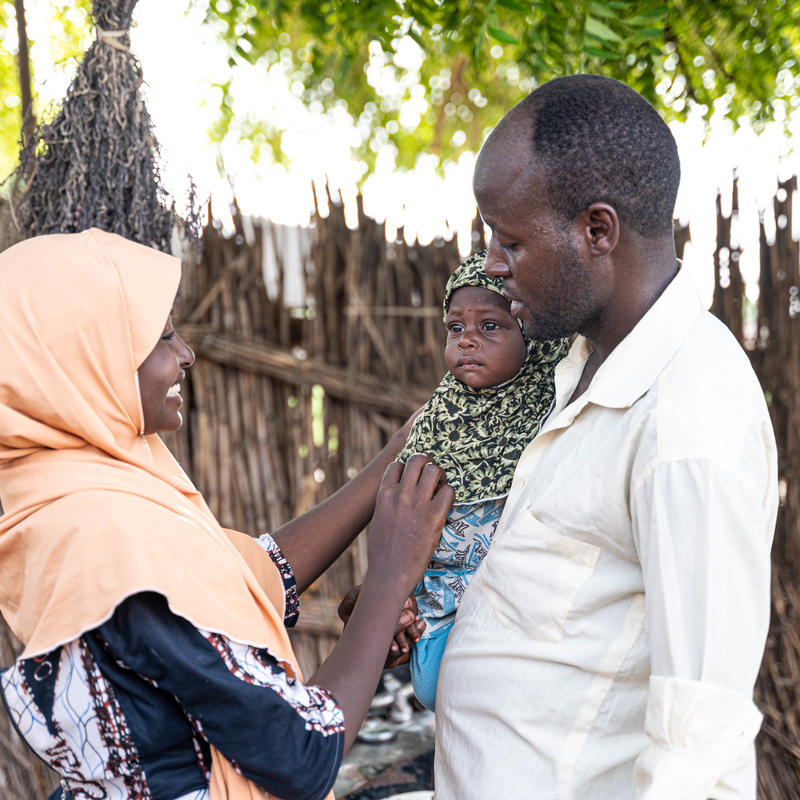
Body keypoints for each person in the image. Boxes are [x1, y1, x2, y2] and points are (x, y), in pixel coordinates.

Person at [0, 228, 453, 800]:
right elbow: (302, 754)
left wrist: (392, 462)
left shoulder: (67, 496)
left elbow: (254, 577)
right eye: (161, 337)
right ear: (84, 360)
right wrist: (390, 579)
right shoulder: (109, 543)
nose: (185, 353)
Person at [434, 75, 778, 799]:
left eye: (511, 240)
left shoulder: (688, 419)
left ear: (597, 230)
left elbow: (699, 740)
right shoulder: (580, 363)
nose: (493, 265)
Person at [392, 249, 566, 710]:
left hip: (512, 612)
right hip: (437, 607)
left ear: (528, 333)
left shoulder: (555, 411)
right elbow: (401, 514)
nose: (467, 341)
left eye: (490, 326)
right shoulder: (437, 419)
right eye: (456, 328)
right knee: (438, 691)